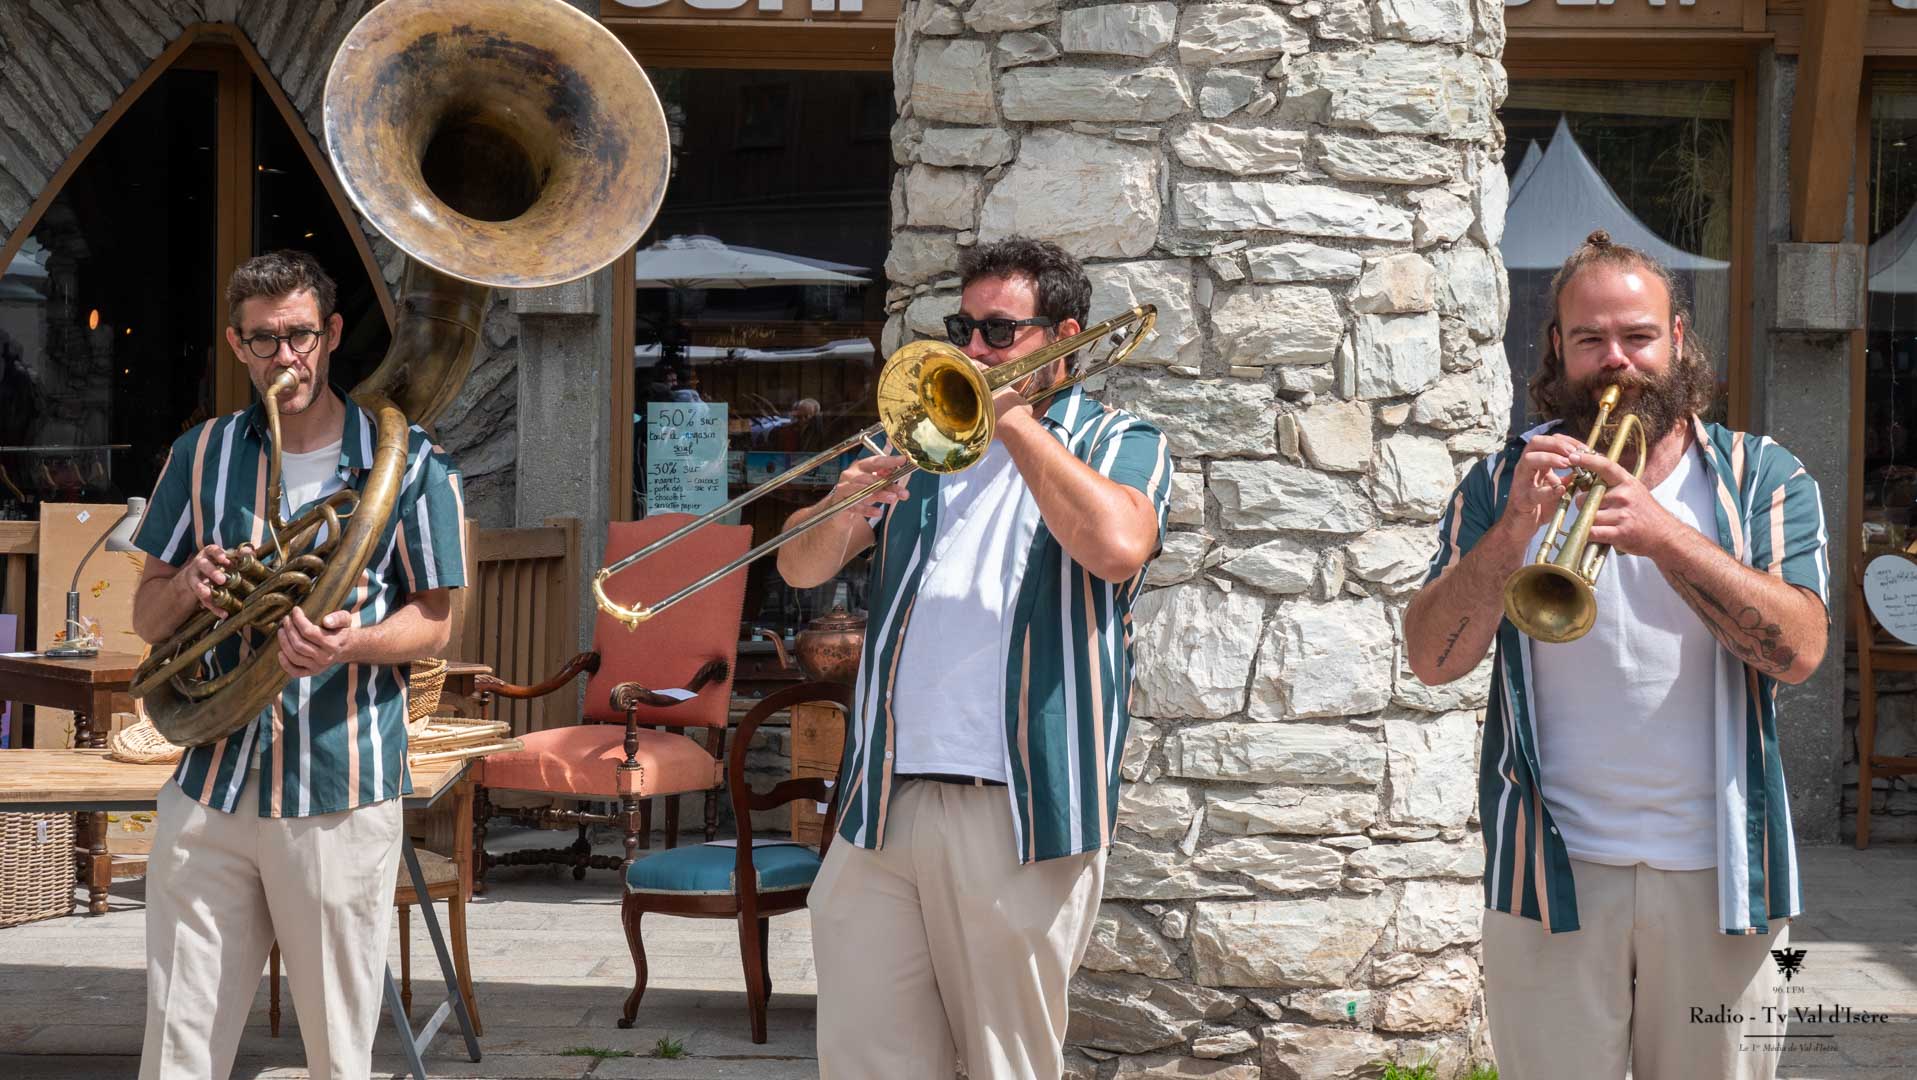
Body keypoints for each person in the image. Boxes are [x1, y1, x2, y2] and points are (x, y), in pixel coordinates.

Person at [1404, 230, 1830, 1080]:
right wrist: (1513, 533)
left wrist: (1663, 536)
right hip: (1547, 872)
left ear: (1676, 338)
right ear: (1556, 347)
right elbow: (1431, 660)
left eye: (1636, 336)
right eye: (1590, 338)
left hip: (1720, 871)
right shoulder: (1500, 481)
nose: (1615, 362)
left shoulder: (1760, 476)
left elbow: (1799, 652)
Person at [777, 237, 1173, 1079]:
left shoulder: (1115, 441)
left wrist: (1015, 419)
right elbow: (797, 569)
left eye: (999, 331)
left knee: (1005, 1063)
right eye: (963, 329)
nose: (974, 351)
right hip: (882, 800)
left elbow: (1116, 548)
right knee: (864, 1057)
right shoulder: (922, 446)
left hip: (1019, 809)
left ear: (1063, 338)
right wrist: (840, 509)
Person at [130, 250, 466, 1080]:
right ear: (237, 345)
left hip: (336, 789)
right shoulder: (200, 454)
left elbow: (438, 622)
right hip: (208, 784)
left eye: (301, 337)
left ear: (333, 333)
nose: (286, 358)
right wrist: (190, 587)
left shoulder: (413, 461)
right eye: (264, 340)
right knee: (177, 1047)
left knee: (338, 1055)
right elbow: (145, 616)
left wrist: (350, 642)